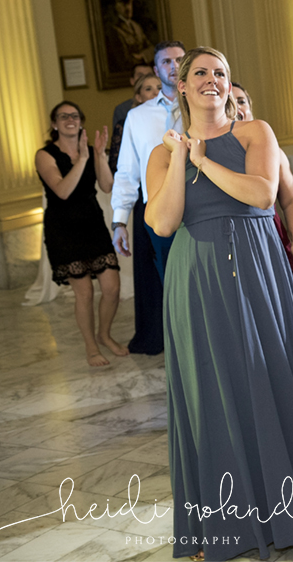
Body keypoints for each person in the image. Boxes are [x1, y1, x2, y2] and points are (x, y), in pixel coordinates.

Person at [145, 47, 293, 561]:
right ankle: (227, 525)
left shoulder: (255, 133)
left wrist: (203, 161)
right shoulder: (163, 154)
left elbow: (261, 194)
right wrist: (180, 160)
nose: (212, 80)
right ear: (182, 86)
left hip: (258, 267)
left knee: (270, 375)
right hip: (198, 277)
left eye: (221, 73)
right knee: (213, 388)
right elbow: (163, 223)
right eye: (201, 73)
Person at [231, 83, 293, 408]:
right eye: (230, 102)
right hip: (232, 246)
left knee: (281, 315)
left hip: (271, 240)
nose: (238, 107)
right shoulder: (212, 153)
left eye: (242, 100)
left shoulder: (272, 149)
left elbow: (292, 201)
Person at [111, 40, 186, 355]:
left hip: (200, 203)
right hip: (156, 207)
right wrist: (119, 220)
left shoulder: (203, 106)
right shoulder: (137, 117)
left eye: (180, 59)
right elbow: (127, 171)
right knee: (169, 280)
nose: (174, 66)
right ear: (156, 70)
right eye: (166, 61)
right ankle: (180, 344)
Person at [35, 102, 123, 366]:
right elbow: (62, 191)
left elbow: (107, 186)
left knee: (112, 287)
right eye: (63, 116)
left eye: (74, 116)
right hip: (63, 228)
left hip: (92, 223)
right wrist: (83, 159)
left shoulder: (91, 151)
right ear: (54, 124)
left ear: (81, 121)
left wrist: (98, 155)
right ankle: (91, 347)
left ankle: (104, 334)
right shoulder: (45, 154)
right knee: (83, 292)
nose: (69, 120)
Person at [109, 71, 160, 173]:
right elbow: (117, 166)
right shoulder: (126, 125)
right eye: (148, 89)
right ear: (139, 97)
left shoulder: (176, 119)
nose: (156, 93)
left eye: (160, 88)